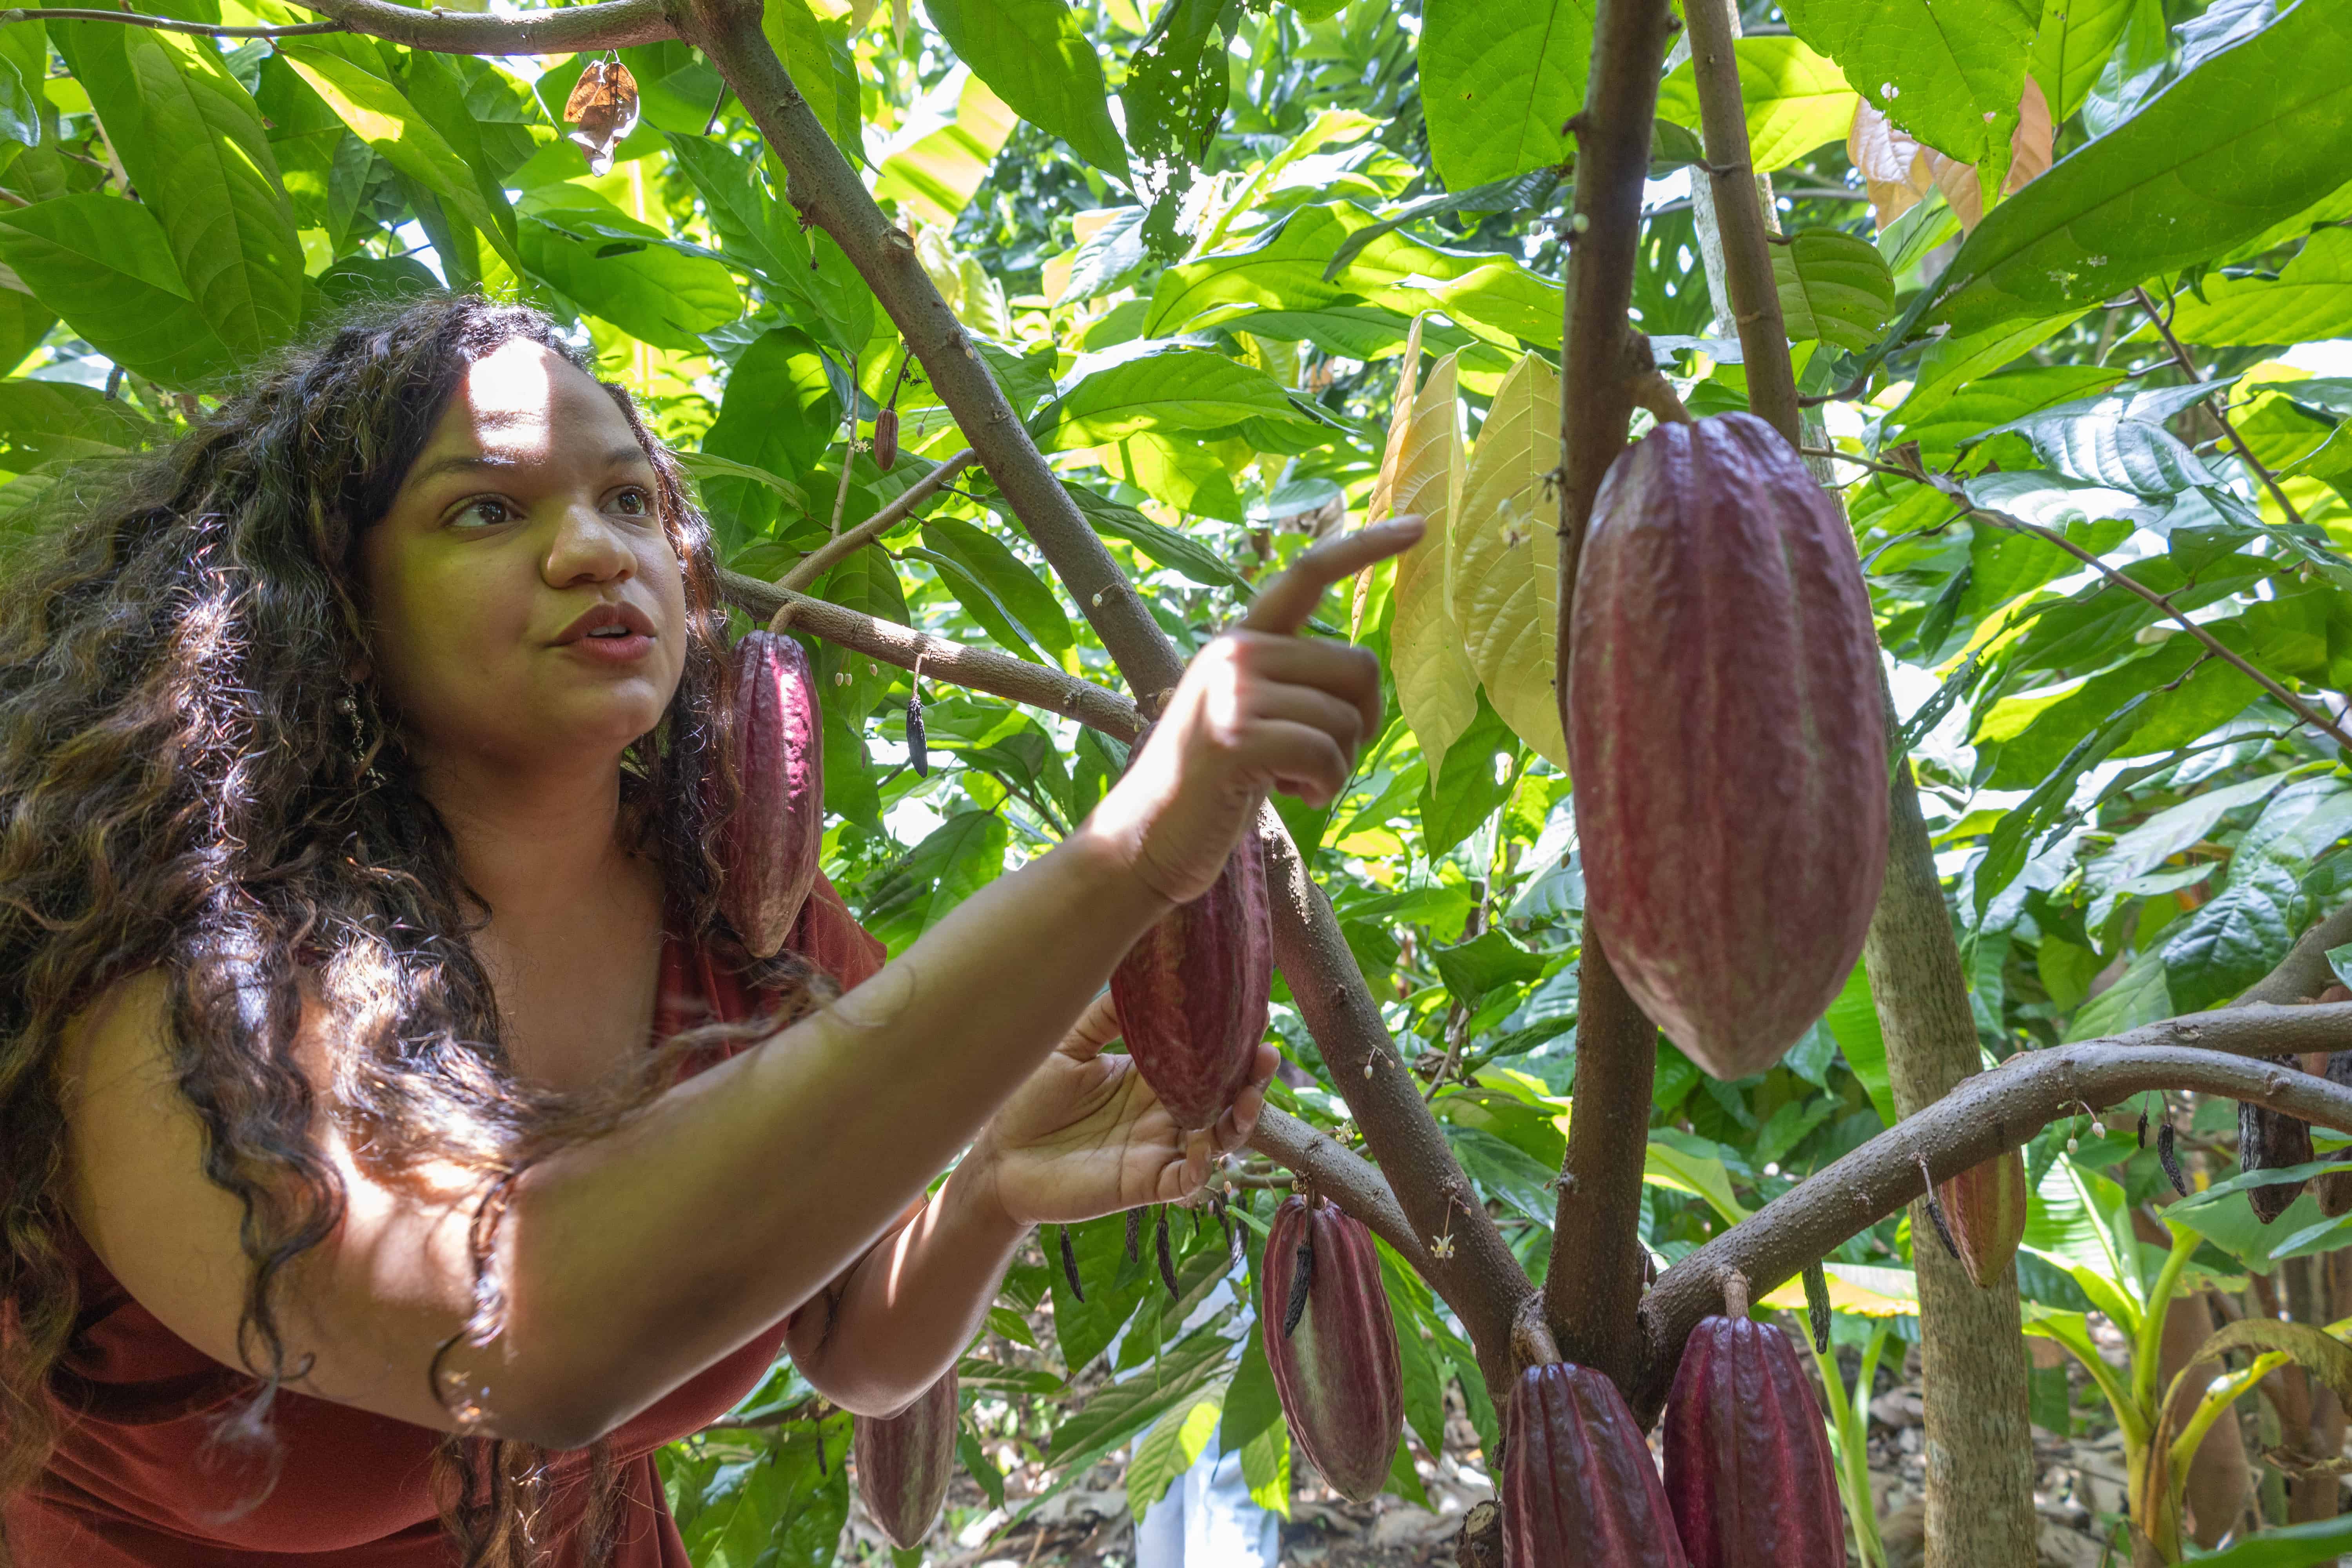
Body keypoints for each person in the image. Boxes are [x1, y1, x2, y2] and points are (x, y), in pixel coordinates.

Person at [0, 294, 1419, 1566]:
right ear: (332, 601)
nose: (590, 551)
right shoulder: (183, 986)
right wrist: (1130, 853)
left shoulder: (750, 925)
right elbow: (533, 1342)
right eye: (486, 512)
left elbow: (855, 1348)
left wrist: (987, 1190)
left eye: (629, 500)